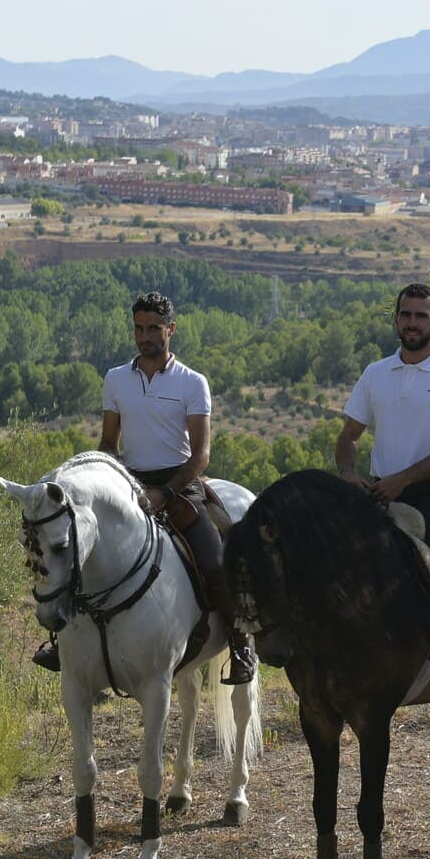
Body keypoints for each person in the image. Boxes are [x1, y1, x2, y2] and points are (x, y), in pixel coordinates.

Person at [33, 290, 253, 685]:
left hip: (181, 484)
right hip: (128, 480)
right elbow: (107, 444)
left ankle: (240, 646)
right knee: (79, 549)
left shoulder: (192, 382)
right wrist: (107, 477)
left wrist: (165, 493)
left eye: (154, 328)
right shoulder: (116, 379)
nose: (145, 336)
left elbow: (200, 456)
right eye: (139, 328)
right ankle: (61, 639)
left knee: (213, 561)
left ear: (171, 329)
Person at [334, 283, 430, 717]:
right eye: (406, 315)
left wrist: (403, 479)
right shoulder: (375, 374)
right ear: (397, 319)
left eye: (421, 316)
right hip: (378, 492)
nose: (412, 323)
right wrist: (348, 473)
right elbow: (348, 435)